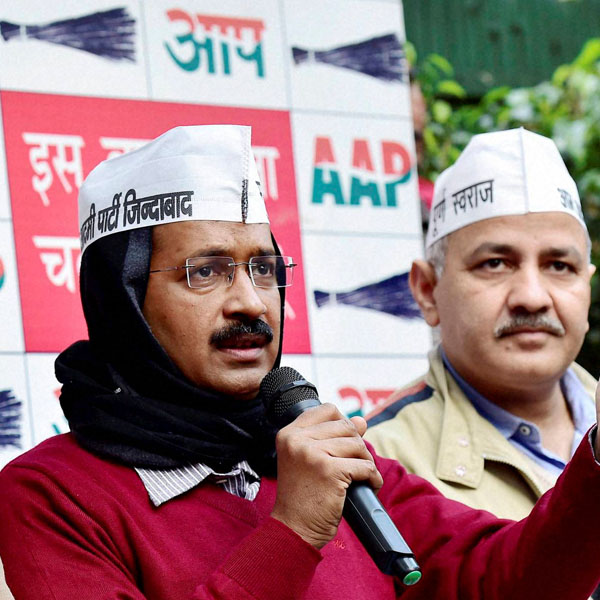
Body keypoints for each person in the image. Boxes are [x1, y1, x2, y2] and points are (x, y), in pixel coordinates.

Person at [2, 125, 600, 600]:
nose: (250, 302)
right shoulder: (53, 495)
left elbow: (509, 579)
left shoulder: (328, 458)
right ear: (124, 300)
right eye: (206, 271)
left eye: (263, 269)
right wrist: (293, 533)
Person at [365, 127, 597, 521]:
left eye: (559, 266)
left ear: (586, 284)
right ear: (427, 290)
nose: (532, 296)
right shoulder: (376, 466)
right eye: (495, 264)